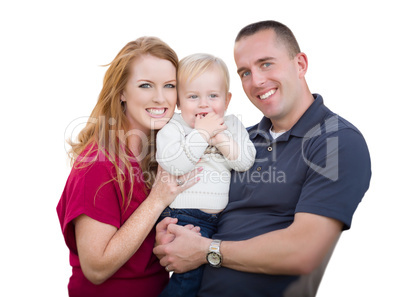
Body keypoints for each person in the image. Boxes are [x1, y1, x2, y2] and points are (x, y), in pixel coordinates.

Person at [153, 20, 372, 297]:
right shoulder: (239, 139)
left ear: (301, 64)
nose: (256, 81)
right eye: (245, 72)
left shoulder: (336, 142)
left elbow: (303, 252)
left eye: (266, 64)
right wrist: (170, 233)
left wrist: (206, 251)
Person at [56, 37, 201, 297]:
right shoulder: (97, 164)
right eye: (146, 85)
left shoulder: (164, 153)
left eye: (169, 86)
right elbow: (96, 268)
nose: (160, 98)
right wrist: (157, 200)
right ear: (122, 91)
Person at [155, 53, 256, 297]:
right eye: (193, 96)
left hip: (221, 221)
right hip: (184, 216)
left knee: (214, 278)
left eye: (213, 96)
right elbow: (175, 164)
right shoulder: (174, 127)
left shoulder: (231, 125)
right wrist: (201, 134)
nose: (204, 104)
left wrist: (219, 137)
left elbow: (244, 161)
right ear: (178, 101)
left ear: (227, 99)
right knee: (188, 280)